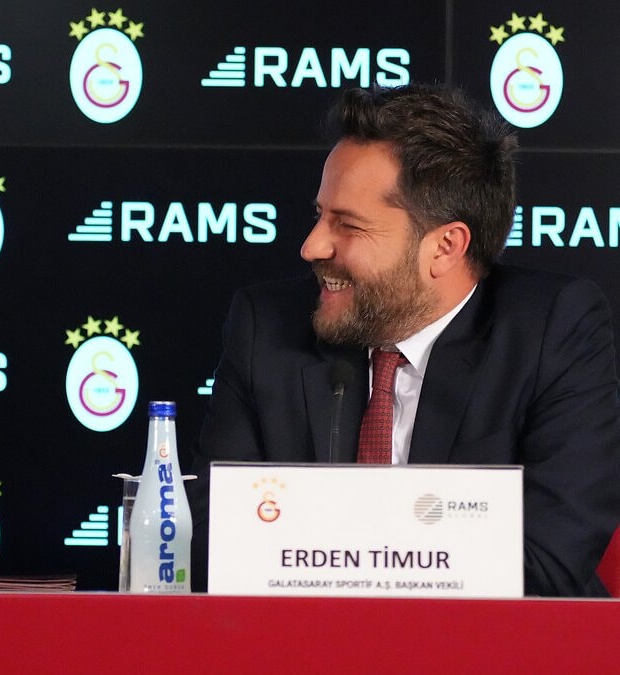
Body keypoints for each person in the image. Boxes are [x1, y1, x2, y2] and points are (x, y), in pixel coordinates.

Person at [188, 84, 620, 596]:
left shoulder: (553, 330)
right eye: (319, 215)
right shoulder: (267, 327)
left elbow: (547, 565)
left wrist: (336, 562)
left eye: (348, 226)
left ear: (445, 247)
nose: (312, 246)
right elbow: (218, 546)